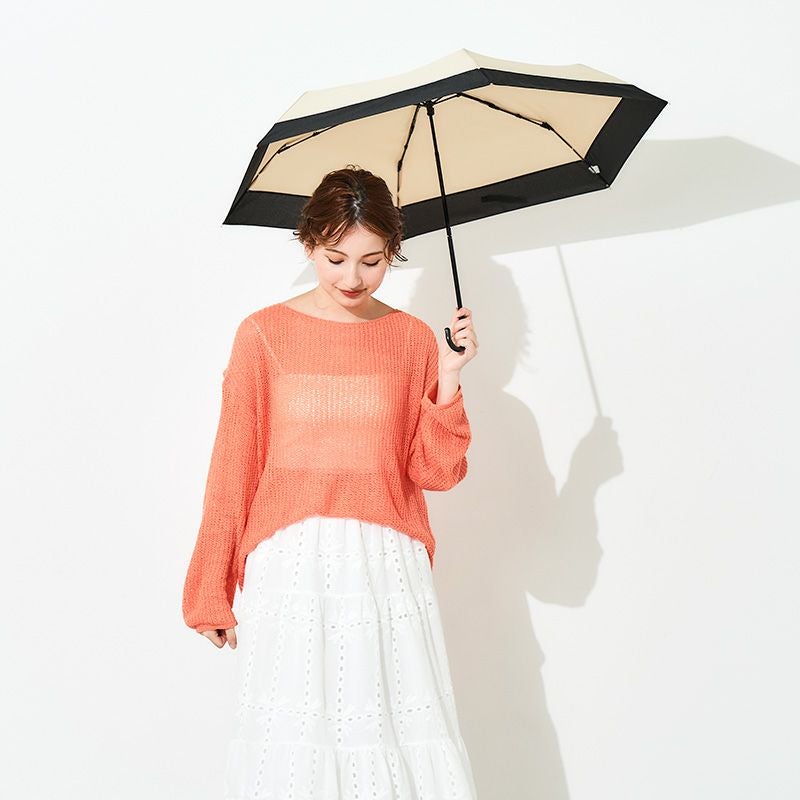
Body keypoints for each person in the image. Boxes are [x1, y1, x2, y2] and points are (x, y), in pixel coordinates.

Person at [182, 165, 480, 799]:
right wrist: (210, 587)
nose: (352, 279)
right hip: (291, 563)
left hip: (385, 562)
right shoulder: (264, 336)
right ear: (309, 244)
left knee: (392, 734)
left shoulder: (412, 340)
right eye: (335, 258)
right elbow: (233, 466)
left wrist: (450, 378)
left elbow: (437, 472)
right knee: (296, 744)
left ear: (393, 251)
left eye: (372, 261)